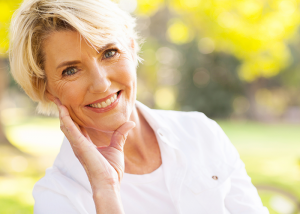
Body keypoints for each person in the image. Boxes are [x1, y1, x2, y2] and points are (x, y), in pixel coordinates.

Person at [9, 0, 269, 213]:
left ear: (132, 49)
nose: (100, 84)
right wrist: (106, 190)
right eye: (71, 70)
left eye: (109, 53)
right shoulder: (57, 197)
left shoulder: (201, 131)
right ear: (44, 87)